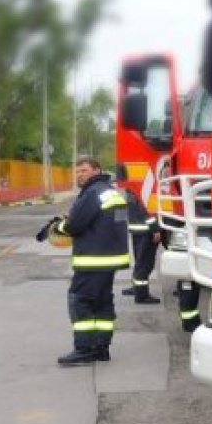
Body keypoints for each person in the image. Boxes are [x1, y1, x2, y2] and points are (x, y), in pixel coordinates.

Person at [54, 156, 130, 366]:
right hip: (110, 259)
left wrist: (58, 227)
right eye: (77, 171)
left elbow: (74, 225)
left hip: (93, 259)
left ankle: (84, 349)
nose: (79, 174)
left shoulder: (93, 193)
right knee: (102, 302)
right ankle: (101, 348)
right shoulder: (110, 191)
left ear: (97, 170)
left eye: (84, 170)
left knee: (79, 300)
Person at [116, 165, 162, 304]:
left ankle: (136, 288)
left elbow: (124, 208)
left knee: (139, 261)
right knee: (145, 264)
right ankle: (141, 295)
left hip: (136, 228)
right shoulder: (141, 187)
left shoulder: (129, 187)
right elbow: (146, 209)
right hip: (146, 230)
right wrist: (155, 228)